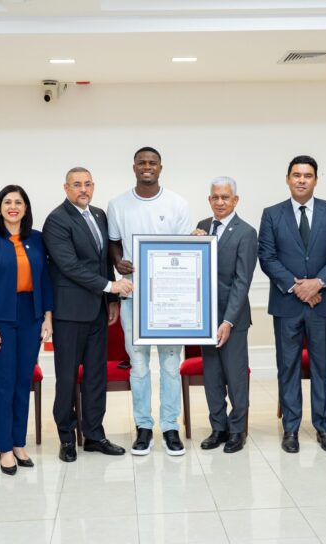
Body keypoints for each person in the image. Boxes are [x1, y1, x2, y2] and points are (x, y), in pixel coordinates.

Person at [258, 155, 326, 453]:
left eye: (307, 175)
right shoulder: (272, 214)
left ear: (316, 180)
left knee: (322, 367)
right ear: (288, 179)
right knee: (288, 367)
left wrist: (317, 283)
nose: (301, 180)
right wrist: (297, 287)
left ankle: (323, 427)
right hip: (287, 304)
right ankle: (291, 429)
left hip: (322, 304)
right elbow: (267, 257)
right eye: (296, 175)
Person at [43, 167, 133, 463]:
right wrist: (110, 286)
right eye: (77, 184)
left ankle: (94, 435)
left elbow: (103, 260)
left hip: (97, 309)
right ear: (65, 188)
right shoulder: (57, 220)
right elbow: (69, 266)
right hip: (69, 313)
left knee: (96, 376)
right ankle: (67, 438)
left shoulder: (99, 215)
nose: (83, 189)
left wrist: (112, 299)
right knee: (67, 378)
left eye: (88, 184)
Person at [107, 147, 192, 456]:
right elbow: (113, 243)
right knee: (139, 366)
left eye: (152, 163)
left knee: (170, 364)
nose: (147, 167)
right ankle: (143, 427)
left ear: (160, 167)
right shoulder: (117, 204)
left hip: (170, 299)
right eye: (141, 163)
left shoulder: (177, 203)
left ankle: (170, 427)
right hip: (133, 296)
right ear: (134, 167)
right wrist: (118, 262)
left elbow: (185, 252)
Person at [0, 184, 53, 475]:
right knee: (4, 383)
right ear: (0, 208)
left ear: (26, 208)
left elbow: (45, 279)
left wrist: (47, 316)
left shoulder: (37, 239)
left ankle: (19, 443)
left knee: (23, 382)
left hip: (31, 317)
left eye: (18, 202)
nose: (13, 207)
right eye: (7, 202)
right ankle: (4, 448)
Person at [192, 176, 257, 454]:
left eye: (225, 197)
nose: (220, 202)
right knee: (213, 377)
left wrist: (227, 321)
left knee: (236, 377)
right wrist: (191, 245)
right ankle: (218, 428)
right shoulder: (202, 226)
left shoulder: (246, 232)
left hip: (234, 319)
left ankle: (237, 430)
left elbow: (242, 281)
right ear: (209, 200)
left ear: (235, 200)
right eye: (215, 197)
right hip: (205, 318)